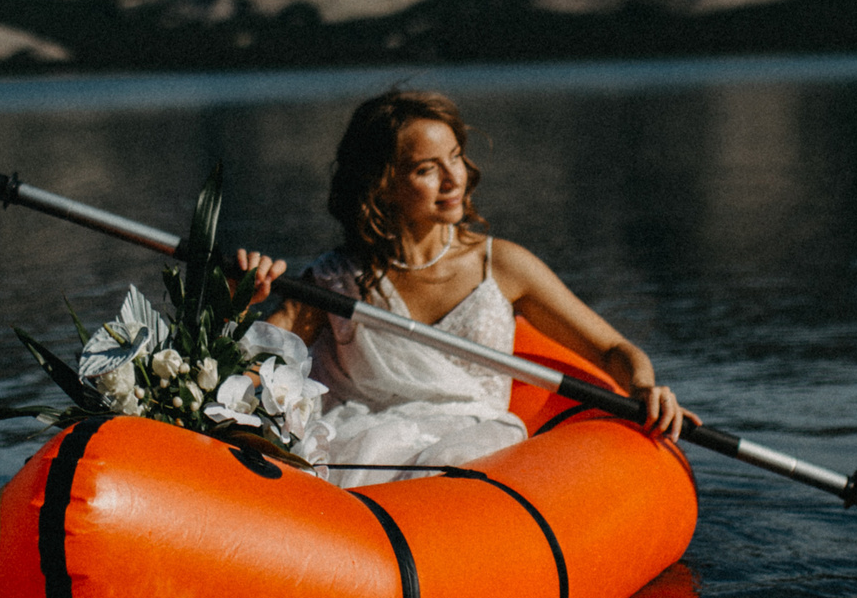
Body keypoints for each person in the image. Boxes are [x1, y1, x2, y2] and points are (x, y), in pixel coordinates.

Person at [238, 89, 694, 488]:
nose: (455, 179)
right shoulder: (332, 281)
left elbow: (613, 348)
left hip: (475, 438)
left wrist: (643, 386)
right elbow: (248, 366)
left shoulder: (503, 266)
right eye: (427, 169)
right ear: (383, 185)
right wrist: (244, 303)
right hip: (360, 443)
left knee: (455, 466)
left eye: (455, 157)